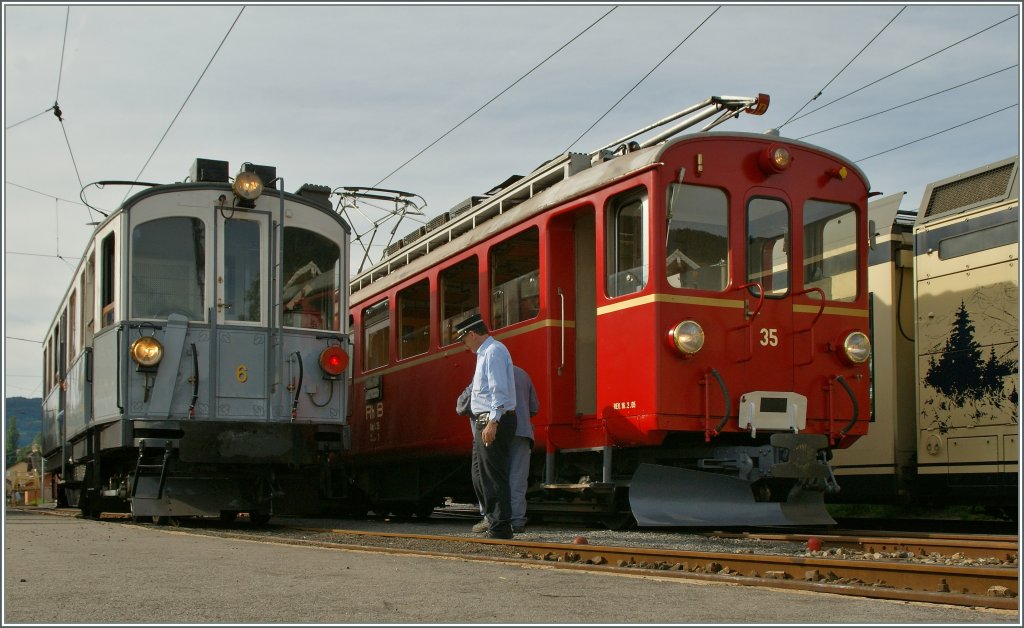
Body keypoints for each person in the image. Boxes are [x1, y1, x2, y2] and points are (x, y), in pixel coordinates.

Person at [453, 313, 516, 539]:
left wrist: (493, 421)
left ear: (472, 334)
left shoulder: (493, 352)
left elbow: (499, 390)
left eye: (463, 339)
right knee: (479, 474)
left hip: (492, 420)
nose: (464, 344)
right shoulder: (485, 354)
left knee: (493, 475)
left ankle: (501, 527)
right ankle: (492, 518)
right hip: (484, 421)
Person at [461, 366, 539, 534]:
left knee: (491, 476)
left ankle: (490, 517)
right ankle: (517, 520)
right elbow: (534, 408)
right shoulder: (523, 374)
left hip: (494, 430)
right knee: (517, 478)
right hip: (522, 431)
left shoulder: (486, 371)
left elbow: (465, 403)